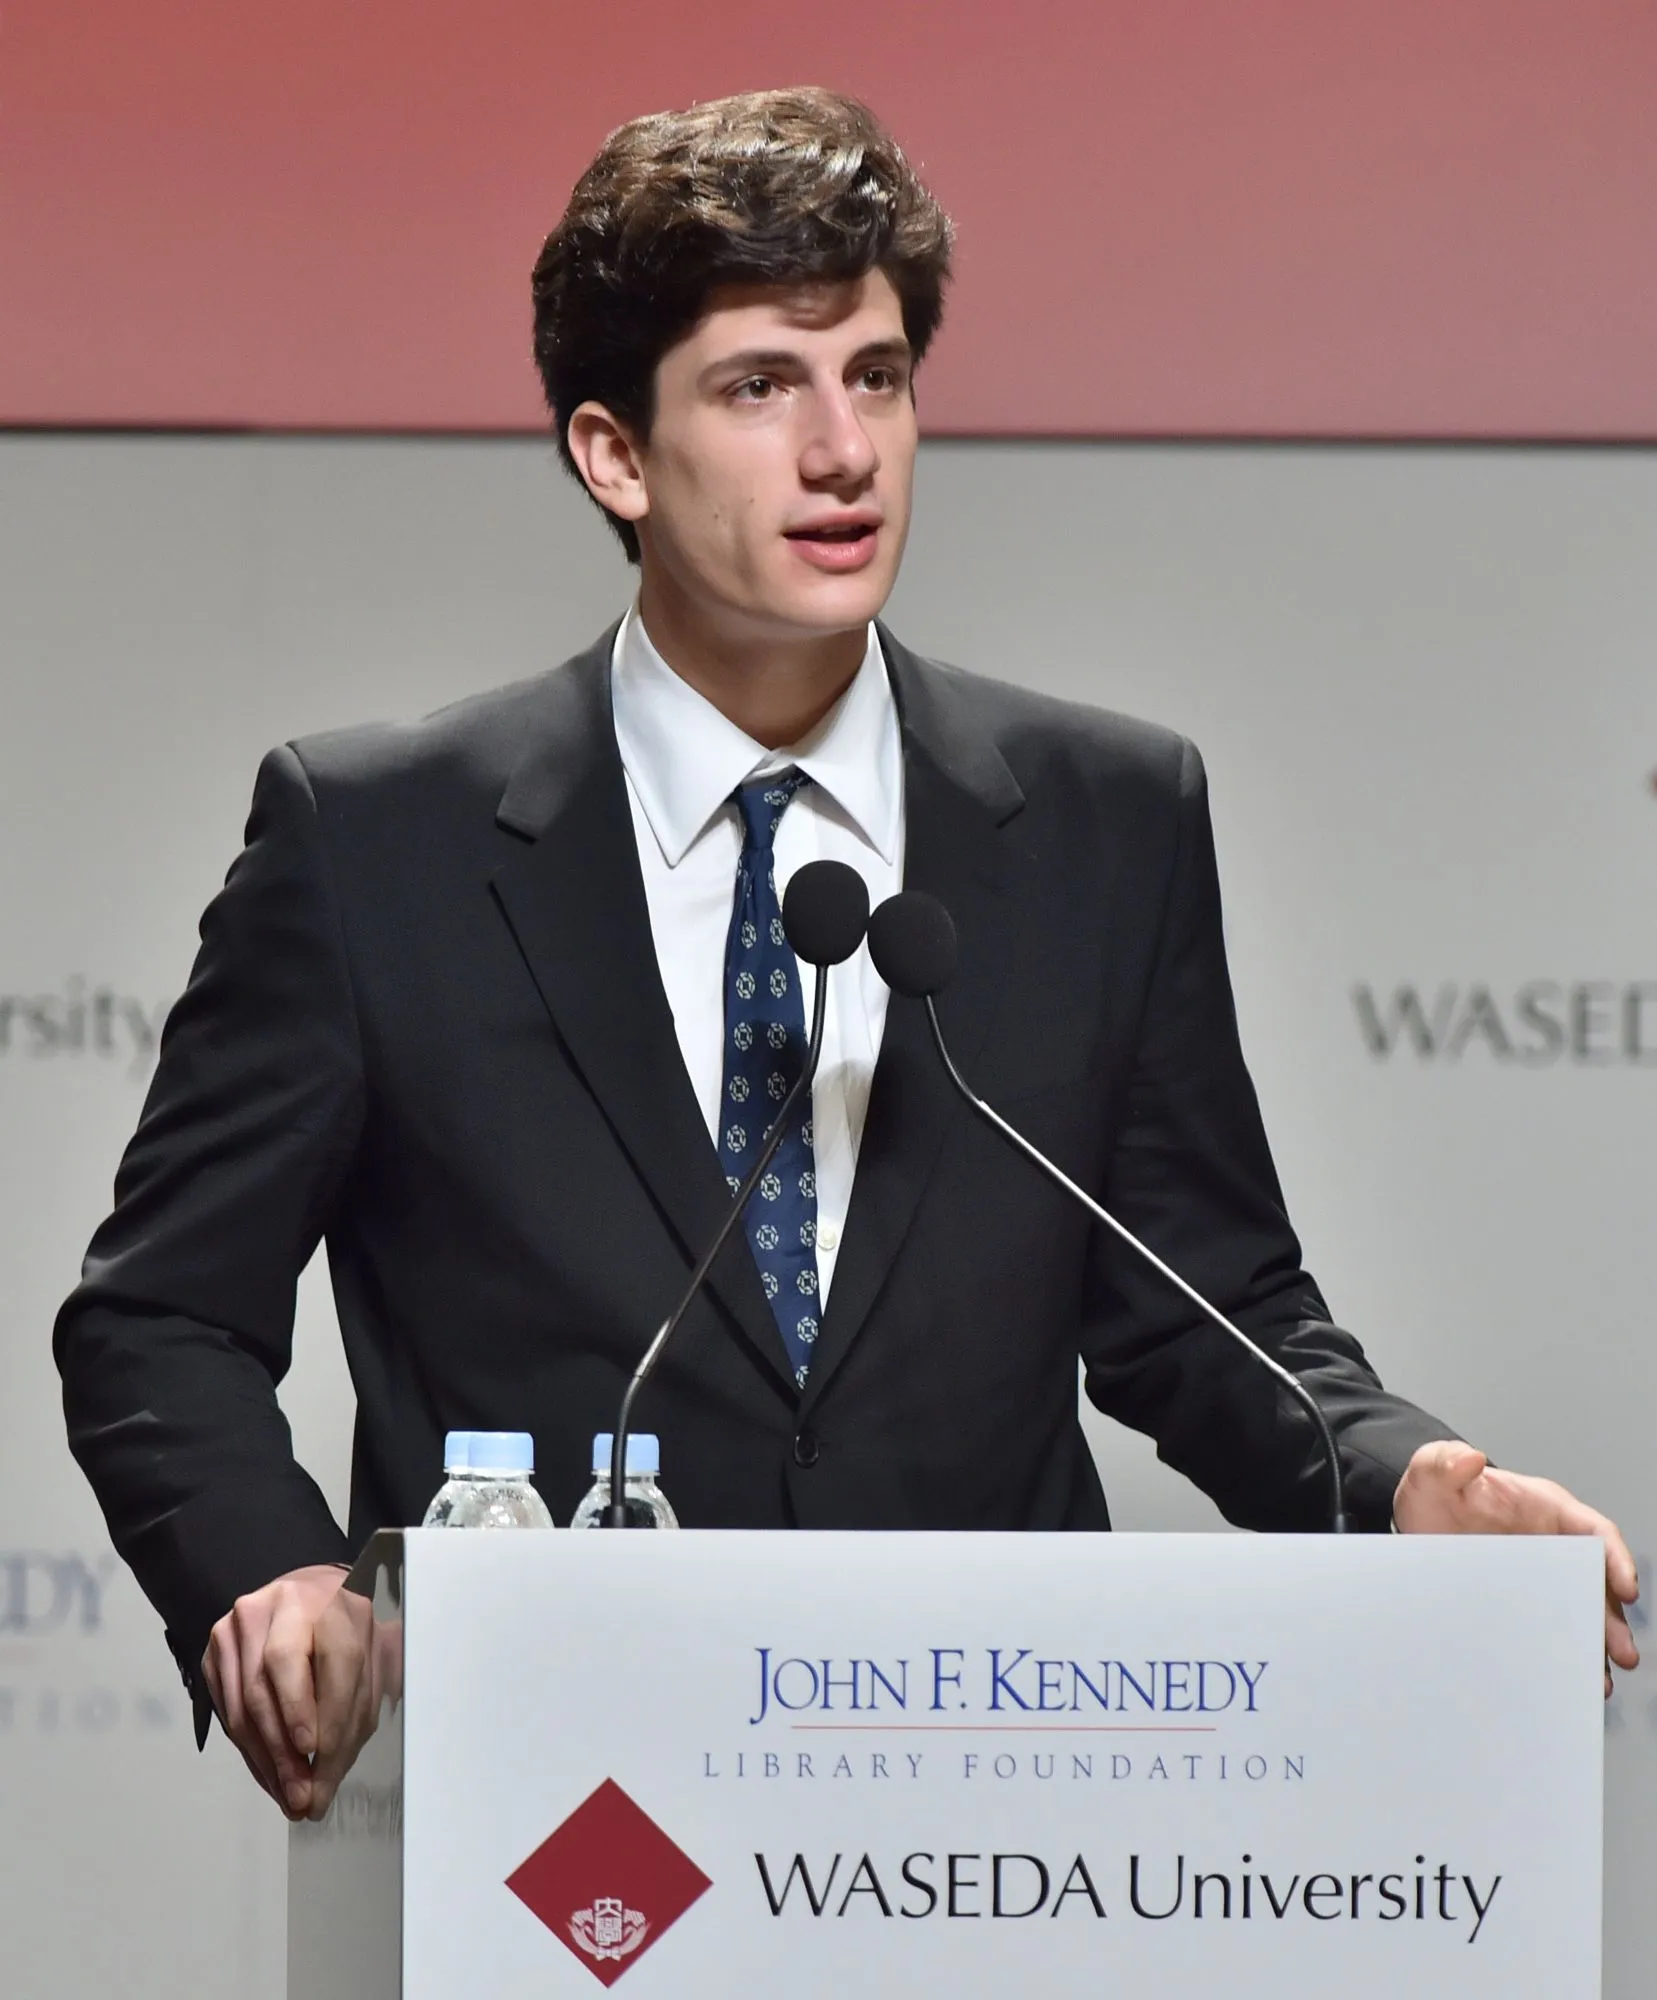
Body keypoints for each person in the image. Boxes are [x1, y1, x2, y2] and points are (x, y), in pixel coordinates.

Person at [55, 86, 1637, 1825]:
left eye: (876, 376)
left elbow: (1209, 1310)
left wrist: (1403, 1477)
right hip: (557, 1813)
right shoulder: (379, 846)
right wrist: (271, 1575)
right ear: (614, 454)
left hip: (994, 1814)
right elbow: (160, 1317)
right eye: (761, 387)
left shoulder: (1104, 821)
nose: (844, 452)